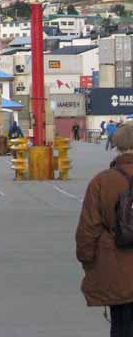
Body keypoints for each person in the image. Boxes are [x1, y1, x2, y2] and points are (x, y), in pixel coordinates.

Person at [76, 122, 133, 335]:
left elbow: (87, 230)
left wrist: (87, 260)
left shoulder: (101, 182)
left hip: (115, 267)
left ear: (117, 146)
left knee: (120, 325)